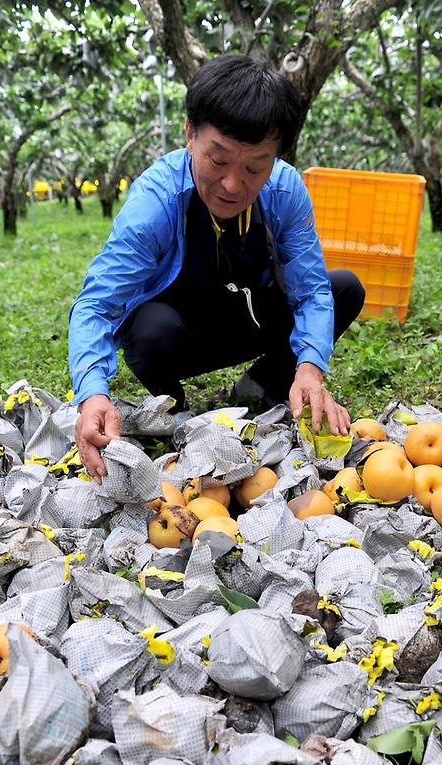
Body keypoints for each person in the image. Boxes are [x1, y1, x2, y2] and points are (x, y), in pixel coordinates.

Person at [70, 54, 365, 483]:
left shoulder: (285, 191)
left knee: (342, 289)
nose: (232, 184)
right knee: (147, 329)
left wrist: (310, 368)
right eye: (218, 160)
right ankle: (173, 409)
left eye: (255, 167)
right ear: (190, 134)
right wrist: (92, 395)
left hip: (250, 316)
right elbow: (97, 305)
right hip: (182, 333)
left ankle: (262, 385)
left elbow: (311, 291)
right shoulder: (155, 202)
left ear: (276, 157)